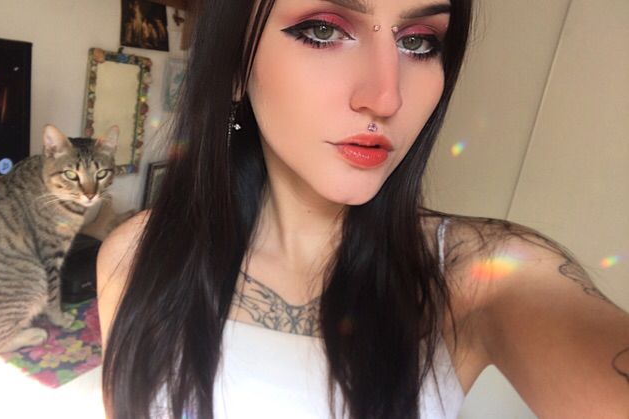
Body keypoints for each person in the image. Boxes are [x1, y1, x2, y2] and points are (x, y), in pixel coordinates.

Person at [96, 0, 629, 418]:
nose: (386, 96)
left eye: (418, 42)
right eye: (324, 30)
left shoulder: (481, 277)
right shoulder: (134, 254)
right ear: (235, 64)